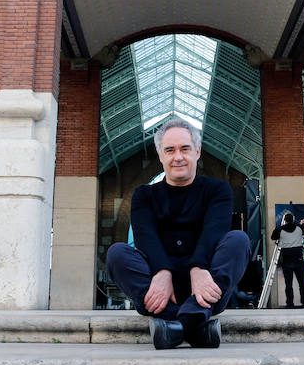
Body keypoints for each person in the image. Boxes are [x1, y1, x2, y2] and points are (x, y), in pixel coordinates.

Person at [106, 116, 251, 349]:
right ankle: (196, 326)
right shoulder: (144, 195)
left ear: (197, 152)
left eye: (185, 148)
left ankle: (175, 327)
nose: (178, 157)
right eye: (170, 150)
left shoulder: (218, 190)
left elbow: (214, 232)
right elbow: (146, 240)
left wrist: (198, 268)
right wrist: (163, 272)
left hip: (204, 286)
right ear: (161, 156)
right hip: (161, 289)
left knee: (238, 240)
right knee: (117, 254)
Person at [271, 212, 304, 307]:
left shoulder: (280, 229)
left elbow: (273, 237)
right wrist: (297, 223)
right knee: (302, 283)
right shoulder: (299, 228)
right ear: (293, 220)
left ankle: (290, 303)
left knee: (288, 283)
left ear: (285, 220)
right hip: (298, 257)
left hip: (286, 258)